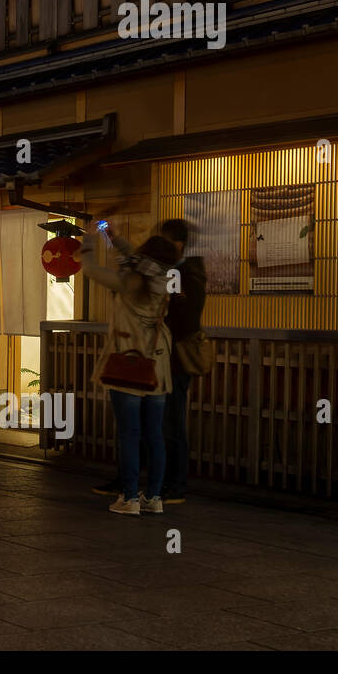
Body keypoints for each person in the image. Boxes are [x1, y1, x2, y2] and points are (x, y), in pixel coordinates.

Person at [82, 229, 178, 515]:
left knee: (130, 434)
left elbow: (90, 269)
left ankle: (129, 498)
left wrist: (89, 241)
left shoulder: (129, 282)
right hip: (157, 367)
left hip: (128, 363)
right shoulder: (164, 280)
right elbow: (135, 257)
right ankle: (154, 497)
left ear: (145, 254)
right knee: (155, 434)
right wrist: (113, 237)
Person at [158, 219, 205, 504]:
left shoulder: (187, 275)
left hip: (175, 360)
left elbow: (186, 318)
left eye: (166, 242)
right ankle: (166, 482)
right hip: (167, 358)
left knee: (171, 424)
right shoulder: (183, 273)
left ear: (178, 244)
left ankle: (175, 485)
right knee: (165, 423)